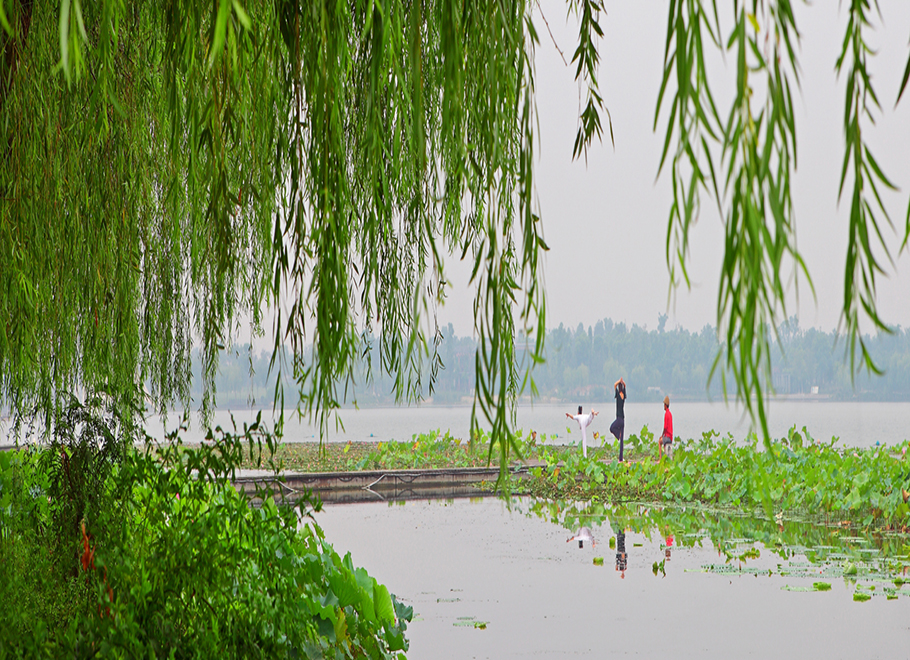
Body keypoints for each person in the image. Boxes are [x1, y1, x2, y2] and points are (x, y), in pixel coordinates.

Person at [610, 377, 626, 461]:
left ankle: (618, 434)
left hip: (619, 418)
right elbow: (625, 386)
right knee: (622, 441)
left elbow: (614, 385)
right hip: (623, 419)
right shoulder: (623, 395)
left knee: (612, 428)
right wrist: (623, 383)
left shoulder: (618, 395)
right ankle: (621, 458)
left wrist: (620, 381)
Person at [659, 395, 673, 460]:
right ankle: (665, 457)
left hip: (667, 436)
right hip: (670, 437)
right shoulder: (670, 414)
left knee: (659, 441)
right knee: (664, 442)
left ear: (665, 405)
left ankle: (660, 458)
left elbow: (665, 427)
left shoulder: (666, 414)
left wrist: (662, 435)